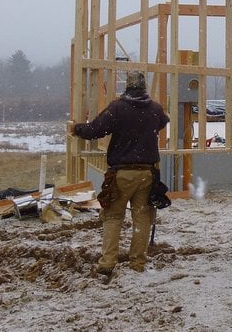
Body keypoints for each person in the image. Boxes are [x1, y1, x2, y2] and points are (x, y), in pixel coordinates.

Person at [72, 71, 169, 280]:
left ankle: (107, 263)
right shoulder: (155, 109)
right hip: (147, 173)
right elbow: (163, 120)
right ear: (143, 87)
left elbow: (95, 130)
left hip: (122, 173)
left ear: (128, 87)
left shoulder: (118, 108)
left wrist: (77, 129)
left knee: (113, 217)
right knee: (142, 218)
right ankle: (138, 263)